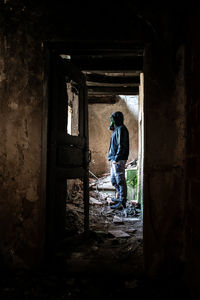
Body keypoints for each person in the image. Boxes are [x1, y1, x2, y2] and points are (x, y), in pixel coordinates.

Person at [108, 111, 129, 209]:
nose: (111, 121)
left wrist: (116, 158)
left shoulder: (121, 129)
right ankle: (120, 197)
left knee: (120, 180)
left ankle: (122, 201)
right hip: (114, 158)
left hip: (119, 159)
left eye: (113, 119)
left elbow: (122, 145)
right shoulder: (116, 129)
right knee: (113, 180)